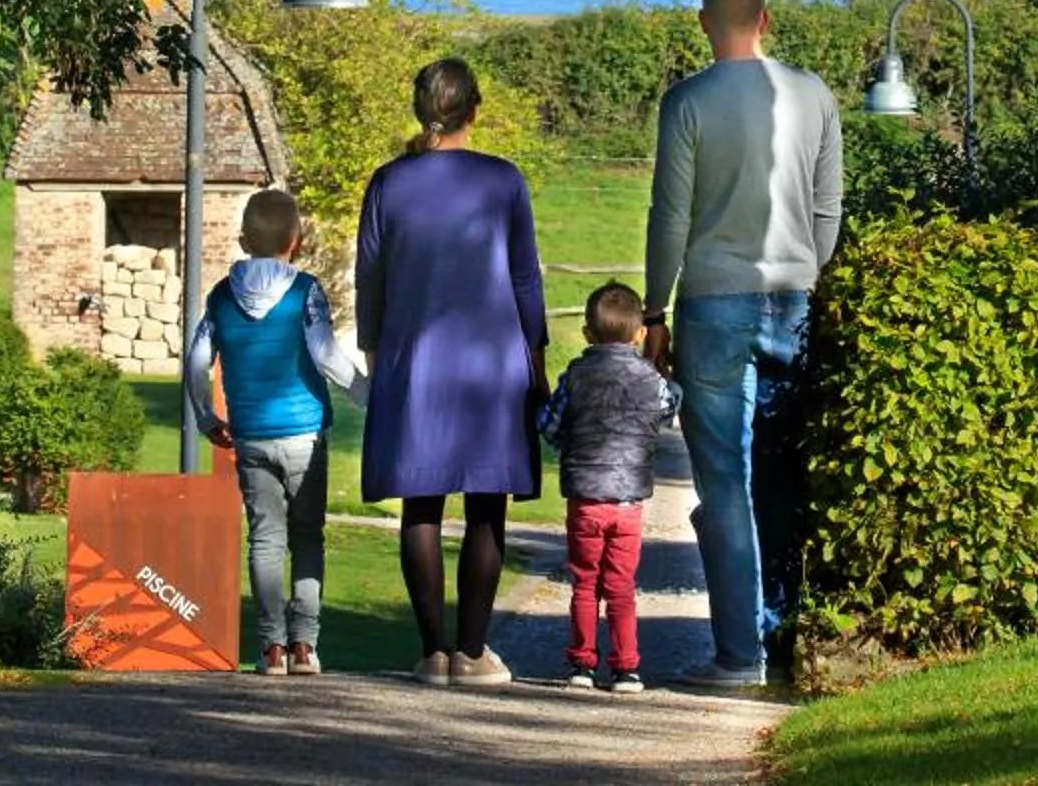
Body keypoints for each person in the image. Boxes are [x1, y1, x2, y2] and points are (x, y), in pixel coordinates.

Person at [643, 0, 844, 686]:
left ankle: (738, 655)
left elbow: (670, 216)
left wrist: (655, 308)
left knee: (724, 480)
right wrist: (806, 277)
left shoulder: (687, 103)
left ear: (705, 22)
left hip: (713, 303)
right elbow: (828, 212)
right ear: (765, 20)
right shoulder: (814, 95)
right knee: (780, 476)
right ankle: (783, 636)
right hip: (792, 294)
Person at [353, 57, 549, 686]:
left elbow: (370, 279)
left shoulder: (388, 183)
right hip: (492, 362)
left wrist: (374, 351)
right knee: (488, 504)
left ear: (421, 110)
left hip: (415, 359)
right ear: (474, 110)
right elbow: (524, 277)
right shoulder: (503, 181)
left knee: (422, 502)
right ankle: (473, 651)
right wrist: (537, 355)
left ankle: (432, 651)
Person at [183, 186, 365, 676]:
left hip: (250, 435)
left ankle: (270, 649)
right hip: (305, 434)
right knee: (307, 538)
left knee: (264, 537)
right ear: (297, 241)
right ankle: (305, 645)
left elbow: (197, 360)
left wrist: (205, 416)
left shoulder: (222, 296)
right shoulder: (305, 292)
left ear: (244, 241)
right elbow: (326, 354)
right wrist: (369, 396)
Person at [537, 280, 682, 693]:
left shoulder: (576, 376)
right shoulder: (648, 380)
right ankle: (626, 668)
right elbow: (669, 404)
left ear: (587, 334)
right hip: (628, 503)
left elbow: (548, 425)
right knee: (620, 585)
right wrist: (663, 367)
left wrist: (570, 441)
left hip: (584, 498)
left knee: (584, 582)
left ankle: (581, 664)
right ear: (639, 334)